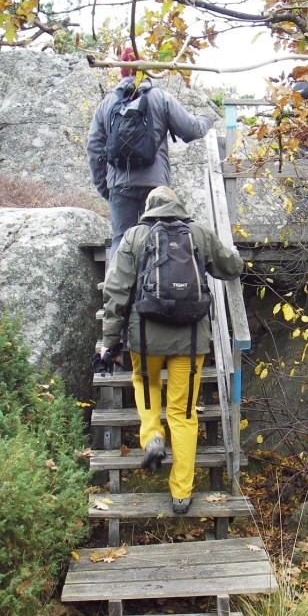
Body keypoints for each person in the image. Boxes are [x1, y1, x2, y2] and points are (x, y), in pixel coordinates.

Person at [100, 186, 244, 514]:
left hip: (145, 339)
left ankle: (151, 435)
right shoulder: (198, 234)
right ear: (178, 205)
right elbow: (230, 266)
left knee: (148, 388)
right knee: (183, 413)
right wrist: (236, 256)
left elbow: (116, 291)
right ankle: (181, 492)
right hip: (190, 340)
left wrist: (110, 341)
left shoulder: (135, 237)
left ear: (149, 208)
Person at [87, 47, 214, 258]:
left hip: (120, 184)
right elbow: (190, 129)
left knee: (121, 239)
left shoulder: (107, 104)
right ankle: (158, 287)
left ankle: (116, 289)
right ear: (146, 71)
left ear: (122, 72)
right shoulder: (160, 98)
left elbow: (93, 147)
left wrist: (105, 187)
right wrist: (207, 120)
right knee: (159, 237)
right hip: (156, 186)